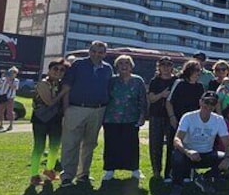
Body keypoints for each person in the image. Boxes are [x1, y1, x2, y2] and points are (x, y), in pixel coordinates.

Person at [59, 40, 113, 187]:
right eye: (94, 51)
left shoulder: (107, 69)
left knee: (90, 143)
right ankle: (67, 175)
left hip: (98, 110)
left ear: (105, 54)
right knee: (71, 143)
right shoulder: (78, 65)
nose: (96, 54)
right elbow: (66, 87)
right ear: (89, 51)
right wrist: (66, 109)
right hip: (76, 108)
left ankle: (83, 174)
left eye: (100, 52)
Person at [167, 91, 229, 195]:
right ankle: (177, 187)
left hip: (207, 154)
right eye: (206, 102)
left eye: (212, 103)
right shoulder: (188, 117)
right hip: (188, 155)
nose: (209, 106)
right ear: (200, 102)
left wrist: (227, 158)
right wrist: (187, 152)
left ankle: (204, 178)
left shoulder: (218, 120)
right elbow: (177, 139)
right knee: (177, 156)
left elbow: (228, 144)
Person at [102, 55, 147, 181]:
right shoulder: (112, 80)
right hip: (111, 118)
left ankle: (135, 170)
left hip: (131, 117)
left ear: (131, 66)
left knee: (131, 145)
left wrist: (142, 116)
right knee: (111, 144)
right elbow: (105, 97)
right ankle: (109, 170)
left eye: (127, 63)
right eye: (121, 63)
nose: (124, 66)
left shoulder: (138, 80)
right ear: (117, 66)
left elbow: (143, 99)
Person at [28, 59, 67, 185]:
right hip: (41, 119)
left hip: (56, 119)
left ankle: (49, 170)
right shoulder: (43, 84)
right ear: (49, 70)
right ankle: (34, 175)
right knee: (39, 147)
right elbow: (49, 102)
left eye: (62, 70)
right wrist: (63, 92)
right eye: (55, 69)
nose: (58, 72)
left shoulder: (61, 84)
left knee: (55, 146)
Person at [147, 57, 177, 181]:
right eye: (163, 65)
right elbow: (151, 98)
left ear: (172, 67)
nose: (165, 67)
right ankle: (156, 171)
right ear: (158, 67)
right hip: (156, 116)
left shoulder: (176, 81)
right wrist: (162, 95)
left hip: (172, 117)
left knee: (172, 145)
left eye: (168, 64)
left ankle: (169, 172)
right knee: (155, 144)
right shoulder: (155, 81)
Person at [0, 66, 20, 132]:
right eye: (11, 72)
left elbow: (14, 88)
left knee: (9, 112)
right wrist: (1, 77)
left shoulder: (16, 80)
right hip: (2, 97)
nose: (12, 74)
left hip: (10, 98)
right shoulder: (3, 79)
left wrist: (9, 81)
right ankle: (0, 125)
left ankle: (11, 125)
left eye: (14, 73)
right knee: (0, 112)